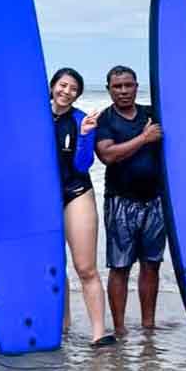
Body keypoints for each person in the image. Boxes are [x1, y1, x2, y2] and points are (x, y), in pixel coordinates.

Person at [94, 65, 165, 336]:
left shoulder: (152, 113)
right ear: (109, 89)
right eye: (117, 86)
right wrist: (144, 138)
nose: (123, 91)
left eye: (128, 85)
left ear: (136, 86)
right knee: (120, 266)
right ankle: (120, 328)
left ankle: (148, 326)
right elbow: (108, 155)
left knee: (151, 264)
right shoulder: (105, 120)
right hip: (120, 201)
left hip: (155, 200)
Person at [49, 67, 115, 347]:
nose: (67, 92)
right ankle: (62, 326)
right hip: (42, 198)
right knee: (53, 265)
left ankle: (99, 332)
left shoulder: (80, 120)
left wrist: (86, 134)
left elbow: (82, 164)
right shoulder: (33, 114)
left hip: (75, 192)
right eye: (63, 85)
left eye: (73, 89)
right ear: (52, 86)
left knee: (85, 267)